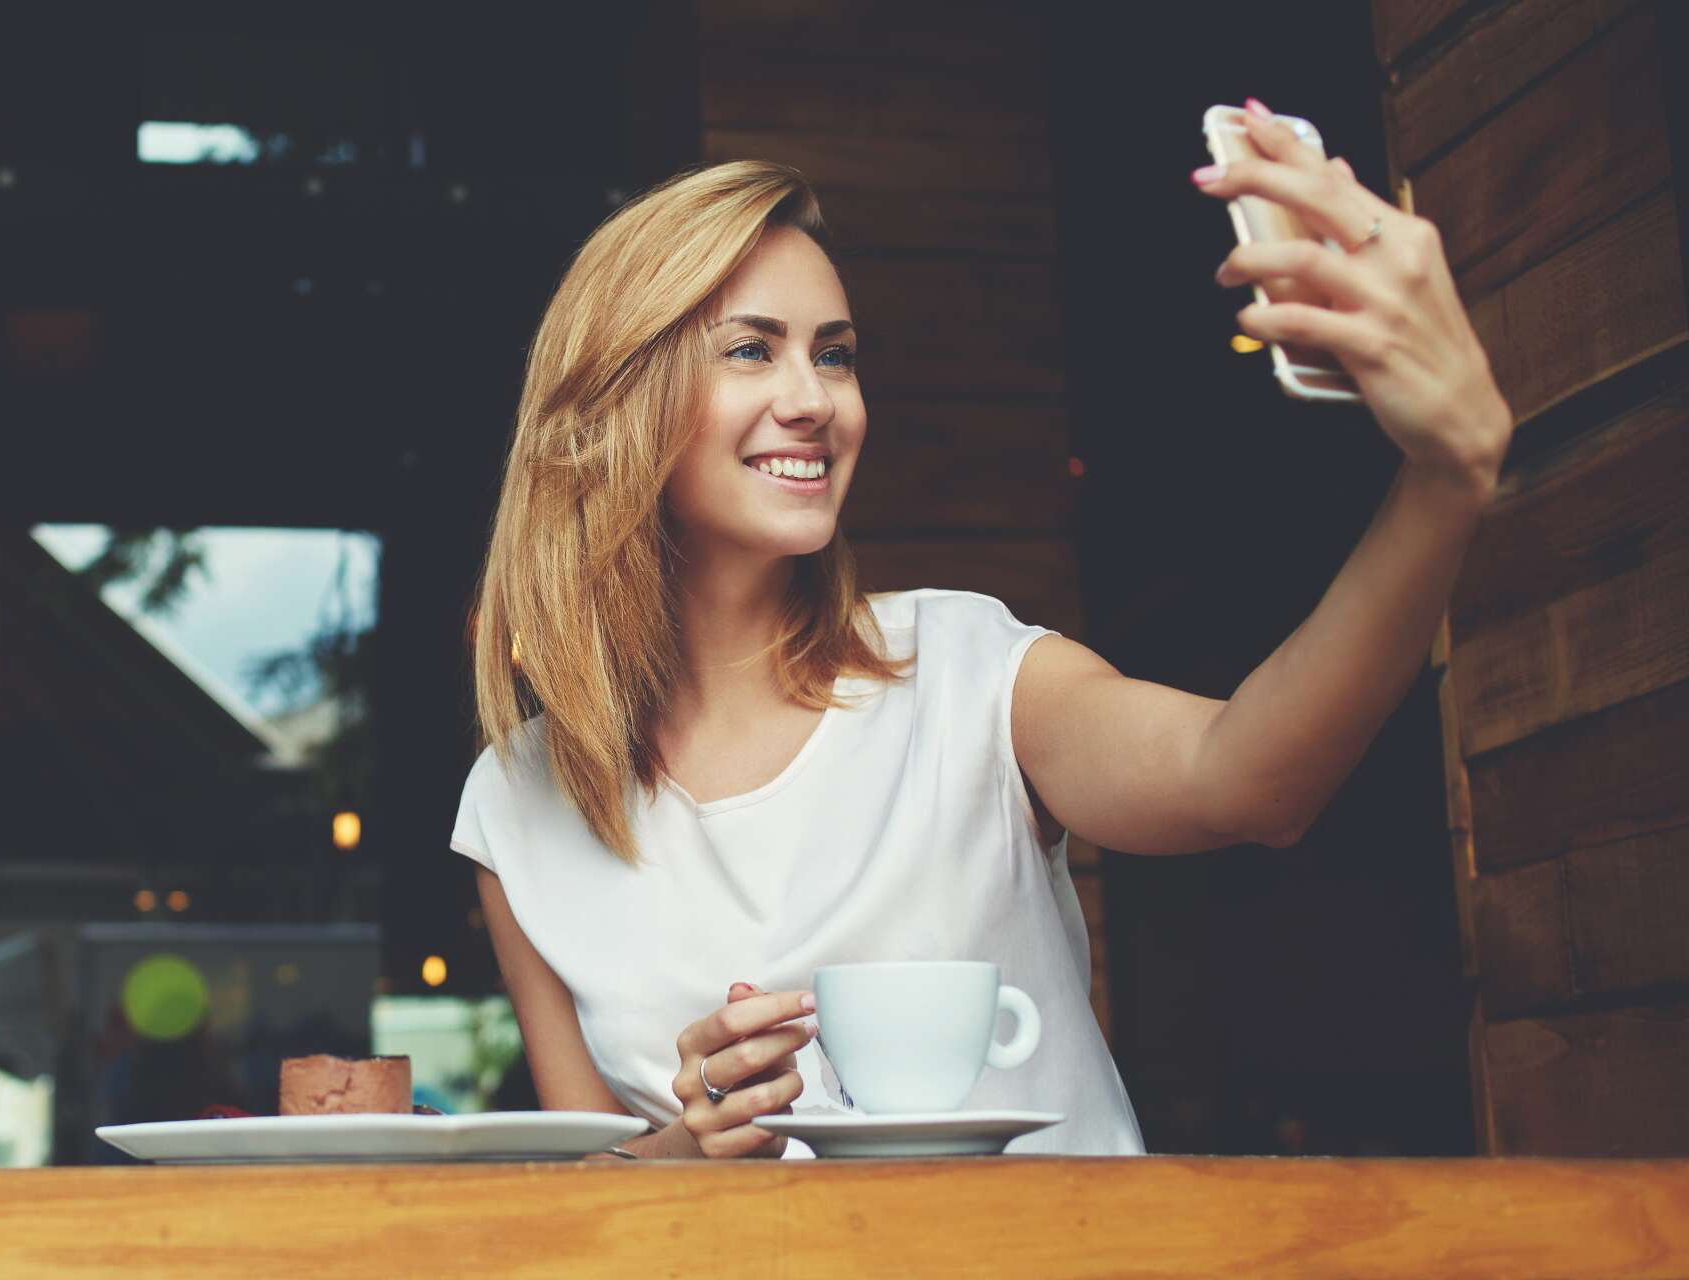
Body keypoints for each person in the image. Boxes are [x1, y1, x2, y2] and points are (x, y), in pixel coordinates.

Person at [450, 102, 1514, 1159]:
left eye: (835, 354)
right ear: (621, 399)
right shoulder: (517, 803)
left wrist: (1444, 481)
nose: (814, 399)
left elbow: (1246, 779)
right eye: (750, 350)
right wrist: (699, 1139)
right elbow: (585, 1193)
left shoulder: (967, 671)